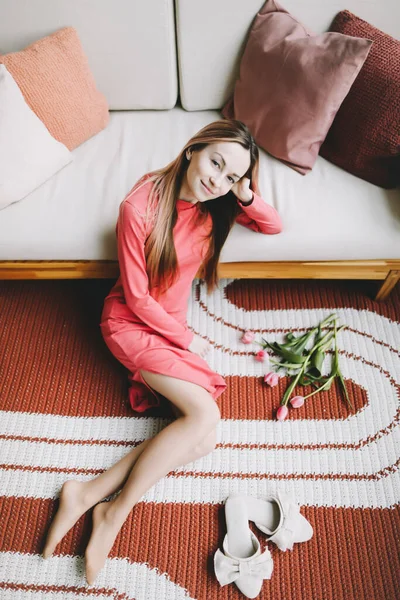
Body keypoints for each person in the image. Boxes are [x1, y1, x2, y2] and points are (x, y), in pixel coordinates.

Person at [42, 119, 282, 584]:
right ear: (193, 149)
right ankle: (112, 515)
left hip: (168, 329)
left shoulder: (219, 201)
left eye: (231, 176)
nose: (218, 180)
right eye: (215, 163)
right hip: (131, 325)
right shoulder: (140, 206)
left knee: (205, 433)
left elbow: (274, 225)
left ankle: (87, 492)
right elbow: (136, 299)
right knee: (205, 419)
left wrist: (247, 194)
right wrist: (185, 339)